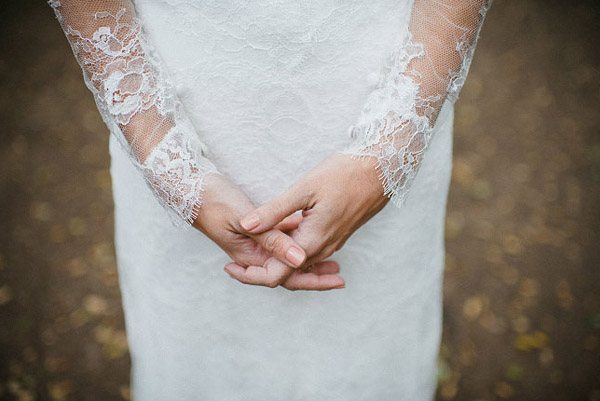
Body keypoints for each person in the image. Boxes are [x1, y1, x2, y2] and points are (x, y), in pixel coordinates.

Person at [49, 0, 493, 399]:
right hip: (172, 115)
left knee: (370, 354)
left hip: (392, 94)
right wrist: (176, 174)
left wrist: (388, 152)